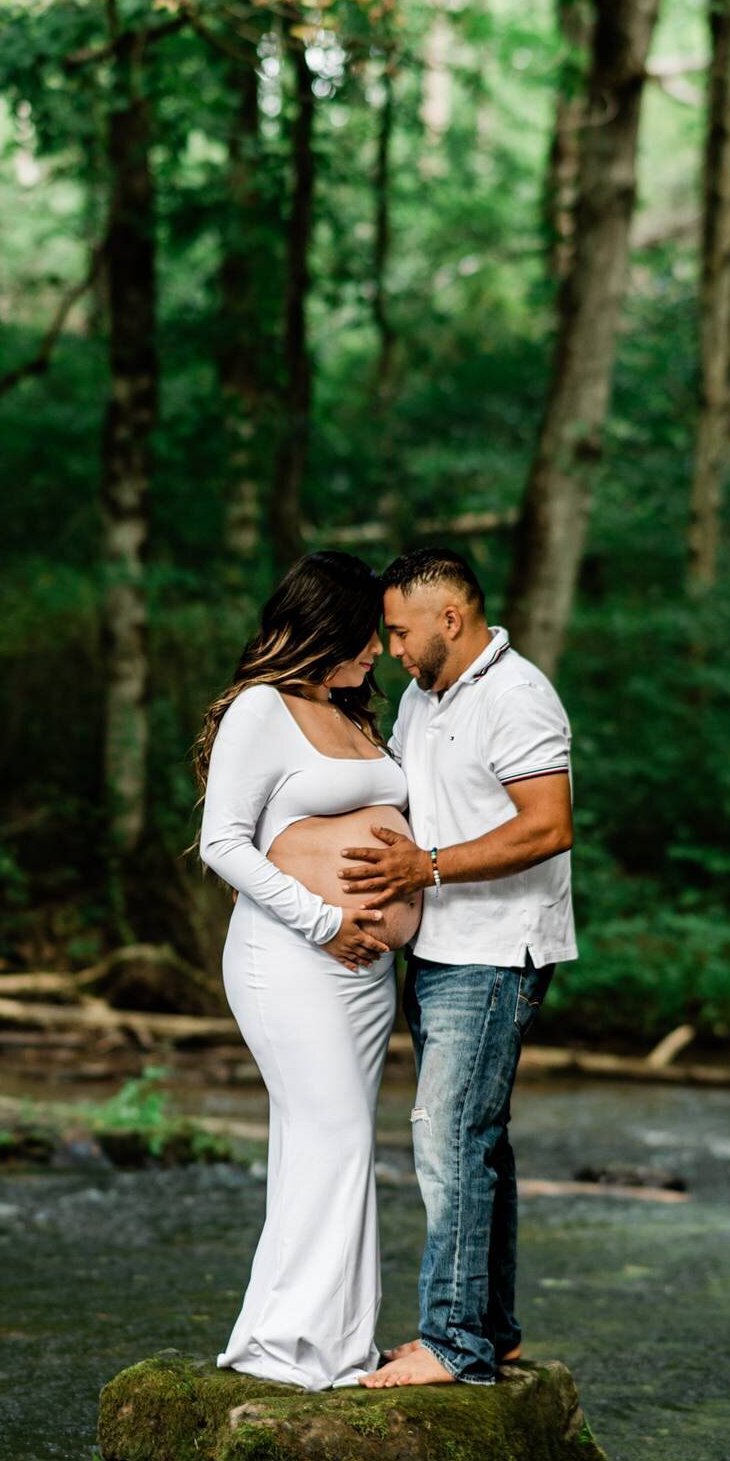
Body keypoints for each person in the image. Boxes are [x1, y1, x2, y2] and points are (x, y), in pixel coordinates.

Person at [339, 546, 577, 1389]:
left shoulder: (517, 696)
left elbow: (547, 827)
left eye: (400, 632)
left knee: (446, 1142)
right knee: (481, 1145)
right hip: (439, 948)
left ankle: (453, 1345)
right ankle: (491, 1329)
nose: (393, 650)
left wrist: (426, 868)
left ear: (451, 617)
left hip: (493, 951)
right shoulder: (421, 696)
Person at [195, 551, 419, 1392]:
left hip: (362, 975)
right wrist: (325, 920)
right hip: (289, 956)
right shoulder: (261, 709)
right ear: (326, 624)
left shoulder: (351, 714)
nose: (379, 651)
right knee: (333, 1138)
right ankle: (295, 1351)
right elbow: (224, 844)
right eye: (370, 634)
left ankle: (321, 1343)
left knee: (325, 1145)